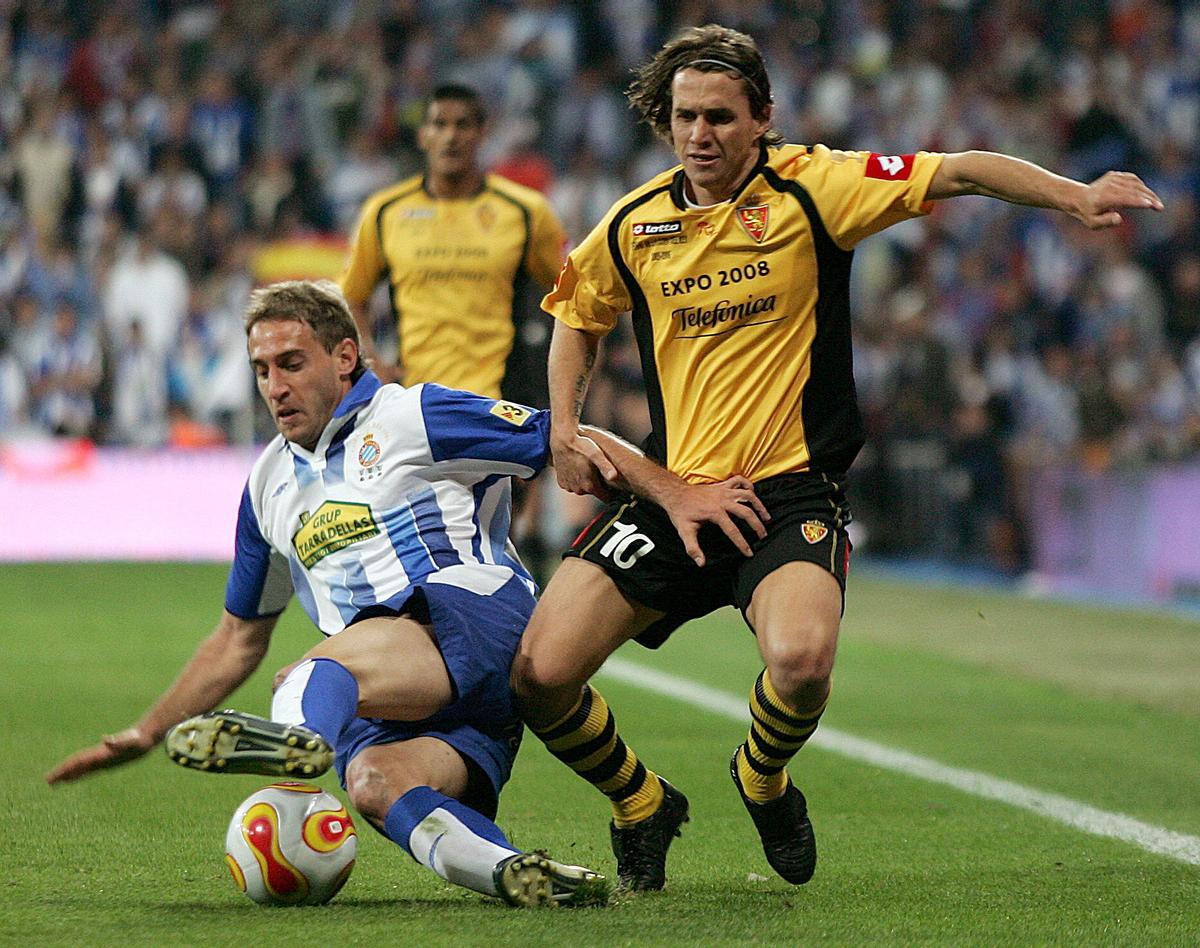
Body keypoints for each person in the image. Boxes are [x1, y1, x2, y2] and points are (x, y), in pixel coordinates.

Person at [509, 23, 1164, 892]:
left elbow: (960, 167)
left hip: (789, 493)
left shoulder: (817, 188)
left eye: (718, 117)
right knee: (537, 677)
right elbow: (574, 314)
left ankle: (761, 776)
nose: (699, 135)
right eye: (683, 118)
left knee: (803, 663)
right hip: (673, 496)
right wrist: (563, 427)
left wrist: (1073, 195)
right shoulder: (636, 224)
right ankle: (640, 802)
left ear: (762, 120)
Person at [45, 279, 717, 907]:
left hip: (471, 619)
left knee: (309, 672)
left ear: (344, 357)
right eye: (261, 370)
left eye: (291, 363)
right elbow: (237, 636)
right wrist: (147, 730)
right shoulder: (266, 488)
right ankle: (513, 871)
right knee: (374, 784)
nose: (274, 387)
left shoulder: (412, 415)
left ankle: (300, 738)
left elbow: (564, 438)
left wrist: (675, 493)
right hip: (399, 701)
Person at [338, 83, 566, 403]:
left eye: (463, 125)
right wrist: (371, 361)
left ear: (482, 133)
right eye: (439, 124)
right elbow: (350, 298)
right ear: (423, 135)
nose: (450, 137)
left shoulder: (526, 211)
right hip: (412, 404)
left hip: (502, 402)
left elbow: (574, 299)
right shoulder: (385, 212)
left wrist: (564, 385)